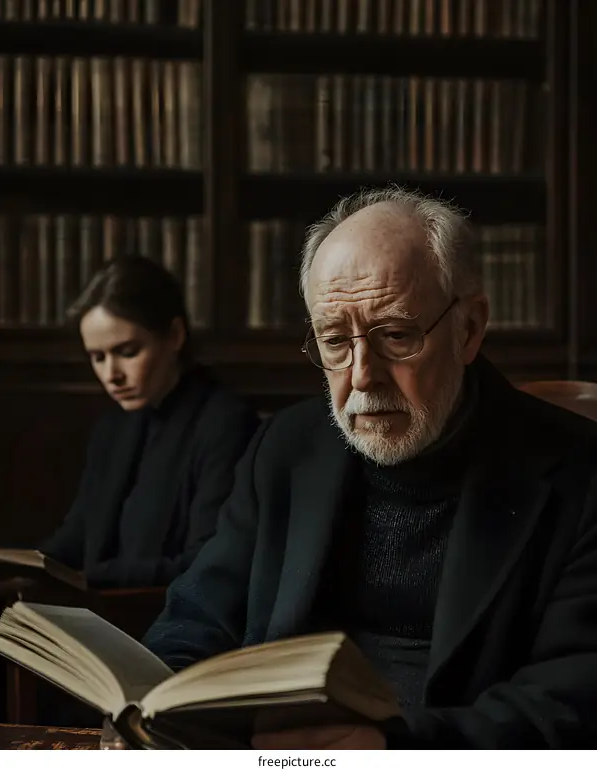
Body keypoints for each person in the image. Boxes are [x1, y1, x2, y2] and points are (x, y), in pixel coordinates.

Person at [143, 187, 597, 748]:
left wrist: (392, 745)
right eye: (335, 341)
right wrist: (147, 709)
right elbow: (200, 614)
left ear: (469, 328)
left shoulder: (581, 475)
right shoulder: (287, 447)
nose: (362, 376)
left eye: (396, 335)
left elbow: (571, 700)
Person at [38, 255, 259, 588]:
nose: (111, 375)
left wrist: (88, 579)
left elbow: (209, 561)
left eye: (127, 352)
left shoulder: (226, 424)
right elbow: (76, 537)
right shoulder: (112, 428)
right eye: (97, 357)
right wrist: (25, 572)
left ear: (174, 335)